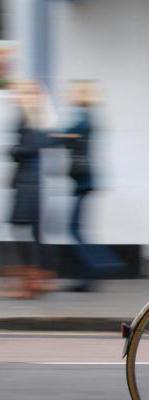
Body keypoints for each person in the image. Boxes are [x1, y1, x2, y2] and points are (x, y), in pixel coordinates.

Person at [53, 80, 123, 292]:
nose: (70, 95)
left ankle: (102, 265)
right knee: (77, 229)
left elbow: (70, 134)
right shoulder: (87, 115)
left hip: (84, 181)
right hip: (83, 181)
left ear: (82, 95)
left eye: (74, 92)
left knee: (74, 230)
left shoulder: (85, 117)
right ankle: (89, 275)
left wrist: (57, 135)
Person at [2, 80, 57, 299]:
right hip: (28, 181)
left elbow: (31, 148)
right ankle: (37, 278)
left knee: (20, 228)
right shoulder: (30, 116)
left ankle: (32, 281)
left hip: (29, 183)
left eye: (23, 92)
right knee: (32, 231)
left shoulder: (33, 117)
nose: (17, 96)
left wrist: (13, 149)